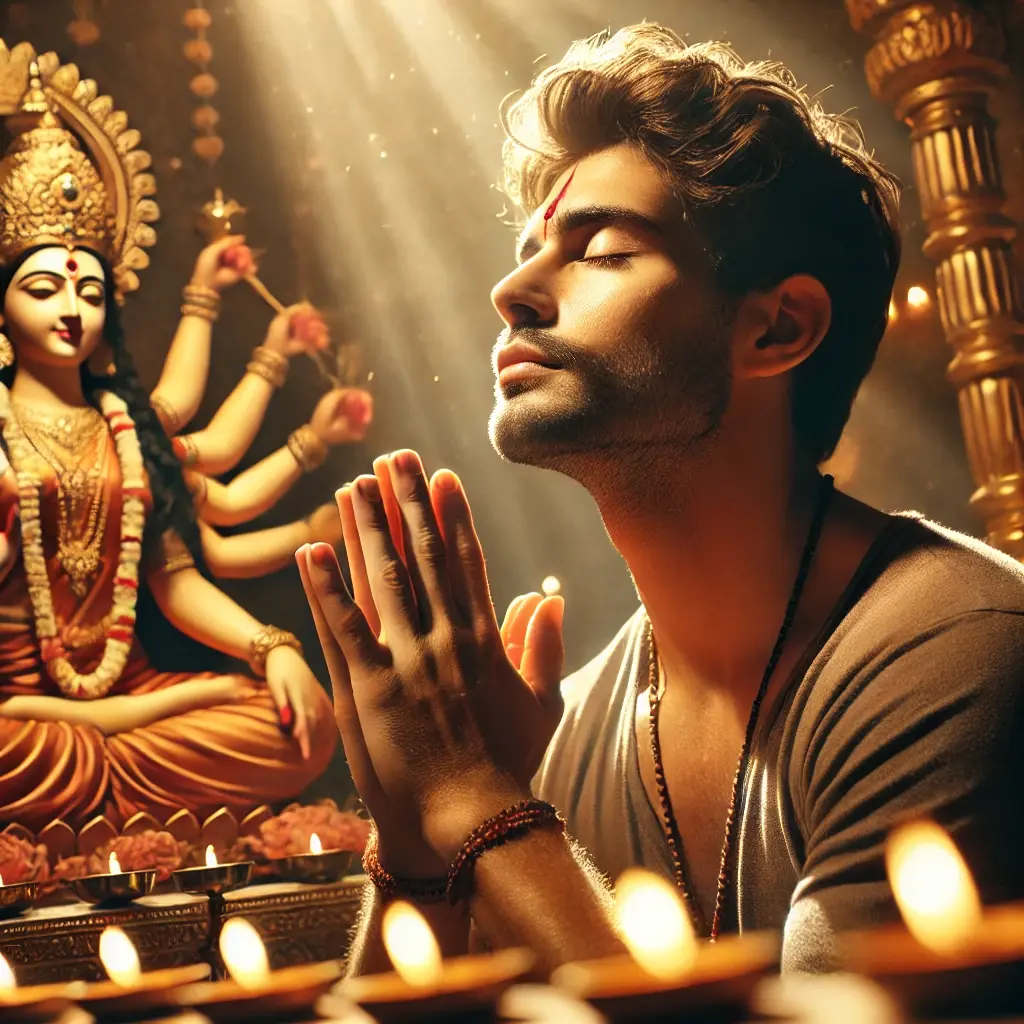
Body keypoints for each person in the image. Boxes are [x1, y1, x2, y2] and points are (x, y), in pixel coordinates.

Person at [299, 25, 1024, 975]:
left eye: (601, 250)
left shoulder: (957, 655)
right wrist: (417, 846)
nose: (512, 290)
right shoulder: (576, 727)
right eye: (528, 251)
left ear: (778, 328)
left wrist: (475, 799)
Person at [0, 63, 338, 832]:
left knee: (296, 723)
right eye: (43, 289)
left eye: (89, 292)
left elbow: (175, 580)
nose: (71, 310)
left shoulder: (127, 432)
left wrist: (270, 647)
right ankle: (114, 797)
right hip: (19, 722)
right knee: (35, 753)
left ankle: (98, 799)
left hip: (128, 697)